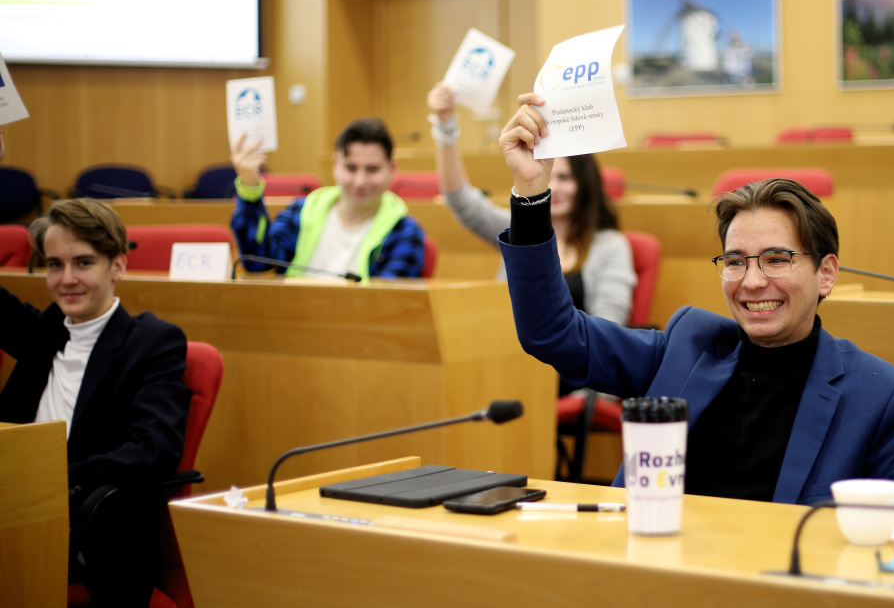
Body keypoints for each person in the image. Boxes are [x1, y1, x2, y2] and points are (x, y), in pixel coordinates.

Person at [495, 93, 894, 506]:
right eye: (734, 261)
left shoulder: (875, 393)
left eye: (775, 259)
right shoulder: (688, 345)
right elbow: (551, 333)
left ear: (825, 274)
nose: (750, 282)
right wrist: (532, 195)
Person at [0, 198, 191, 606]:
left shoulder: (153, 341)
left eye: (83, 263)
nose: (66, 279)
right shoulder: (46, 331)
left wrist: (52, 475)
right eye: (54, 264)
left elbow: (154, 449)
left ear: (117, 266)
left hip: (87, 532)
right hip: (13, 510)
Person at [427, 83, 635, 324]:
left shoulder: (611, 246)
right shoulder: (516, 230)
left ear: (585, 184)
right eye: (546, 176)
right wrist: (445, 125)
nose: (553, 187)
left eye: (564, 177)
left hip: (572, 359)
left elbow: (609, 329)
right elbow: (459, 199)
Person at [230, 118, 427, 279]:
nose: (360, 181)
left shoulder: (404, 233)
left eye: (372, 169)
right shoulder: (301, 212)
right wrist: (249, 186)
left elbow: (387, 304)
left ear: (392, 169)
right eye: (350, 168)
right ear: (335, 165)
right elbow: (256, 263)